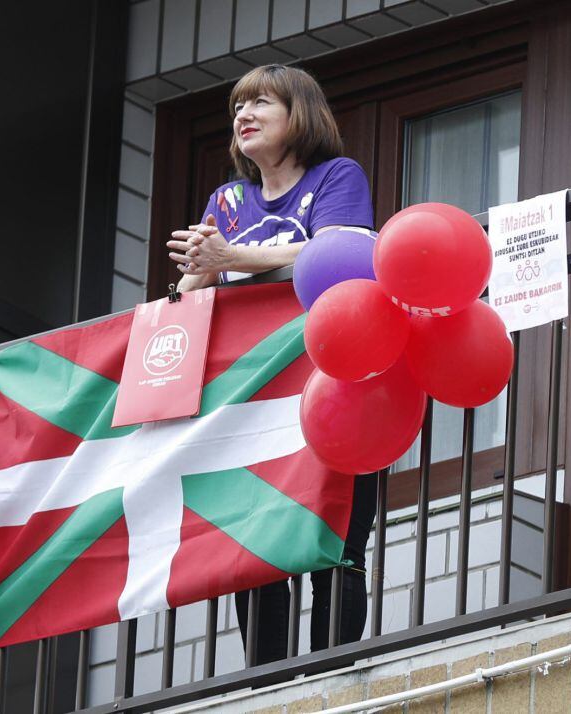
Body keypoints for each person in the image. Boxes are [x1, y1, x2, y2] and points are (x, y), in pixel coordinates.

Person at [167, 64, 378, 664]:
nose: (244, 116)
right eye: (238, 107)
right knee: (255, 548)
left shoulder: (336, 176)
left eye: (261, 103)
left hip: (333, 385)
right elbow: (191, 293)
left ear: (300, 116)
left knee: (336, 537)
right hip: (253, 398)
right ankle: (268, 687)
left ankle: (328, 674)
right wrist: (197, 272)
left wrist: (233, 253)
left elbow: (338, 249)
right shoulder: (229, 200)